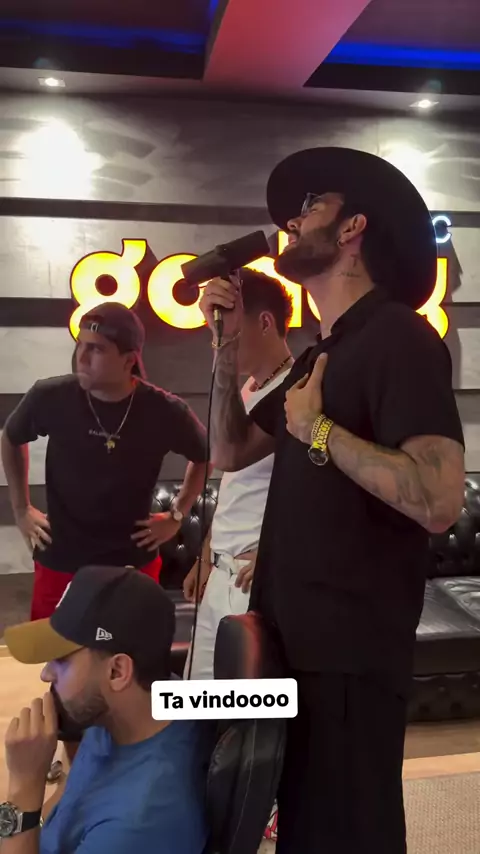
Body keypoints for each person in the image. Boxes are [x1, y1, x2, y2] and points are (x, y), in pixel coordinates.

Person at [199, 147, 465, 854]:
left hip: (349, 656)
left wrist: (319, 431)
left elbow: (438, 498)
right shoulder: (320, 355)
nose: (291, 220)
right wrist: (225, 343)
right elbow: (227, 451)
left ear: (353, 227)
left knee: (349, 834)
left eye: (311, 204)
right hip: (292, 643)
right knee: (304, 831)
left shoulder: (401, 337)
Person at [1, 302, 209, 621]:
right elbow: (11, 438)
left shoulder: (164, 411)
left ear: (128, 360)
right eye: (81, 345)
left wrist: (177, 514)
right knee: (53, 649)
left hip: (130, 561)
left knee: (131, 648)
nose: (81, 357)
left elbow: (205, 456)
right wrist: (20, 508)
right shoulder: (51, 395)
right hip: (61, 558)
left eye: (96, 349)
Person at [0, 564, 210, 854]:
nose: (45, 674)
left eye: (61, 660)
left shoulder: (139, 822)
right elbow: (69, 795)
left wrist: (24, 788)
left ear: (117, 671)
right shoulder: (126, 709)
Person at [183, 268, 293, 681]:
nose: (220, 340)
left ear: (264, 322)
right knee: (198, 699)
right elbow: (231, 485)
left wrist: (278, 553)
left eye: (230, 327)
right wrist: (205, 554)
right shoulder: (247, 390)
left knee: (242, 709)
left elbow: (318, 494)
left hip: (252, 580)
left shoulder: (295, 392)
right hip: (220, 574)